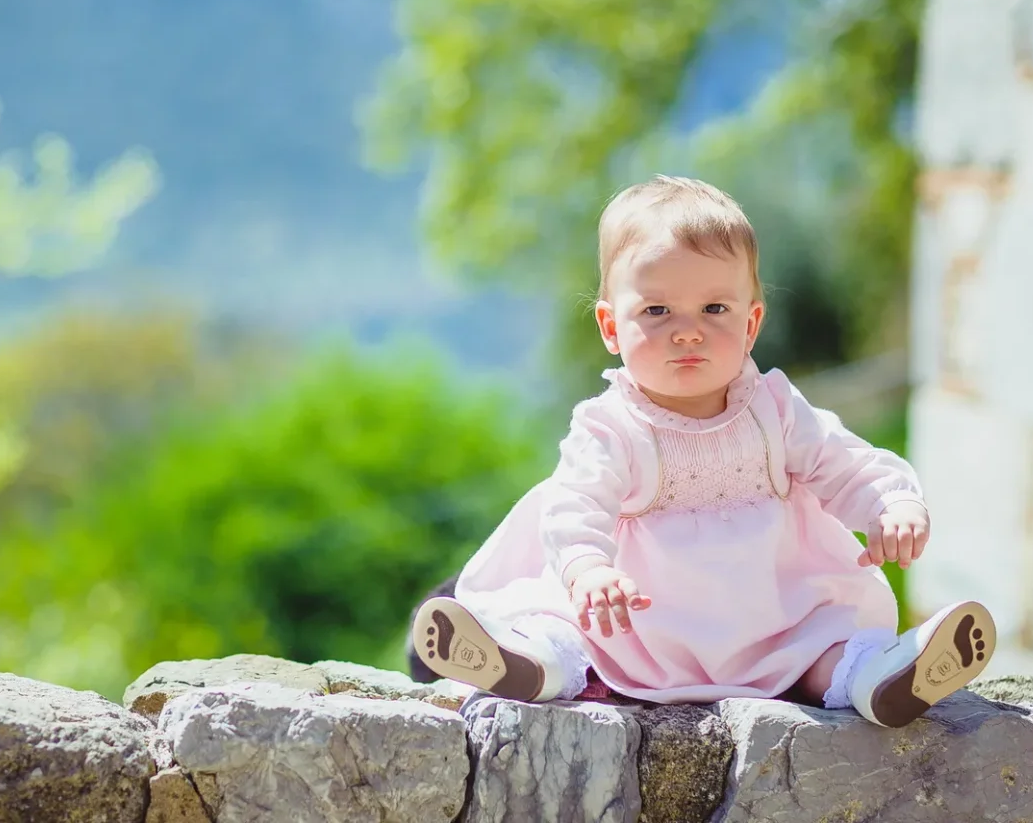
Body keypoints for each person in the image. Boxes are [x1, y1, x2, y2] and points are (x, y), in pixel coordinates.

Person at [411, 175, 994, 726]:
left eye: (714, 309)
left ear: (751, 323)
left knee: (829, 642)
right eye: (657, 311)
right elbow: (574, 505)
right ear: (611, 328)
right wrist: (589, 568)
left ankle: (878, 678)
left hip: (771, 617)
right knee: (567, 629)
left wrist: (890, 506)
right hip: (639, 623)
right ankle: (528, 665)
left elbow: (845, 465)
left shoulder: (777, 411)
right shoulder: (611, 425)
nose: (687, 331)